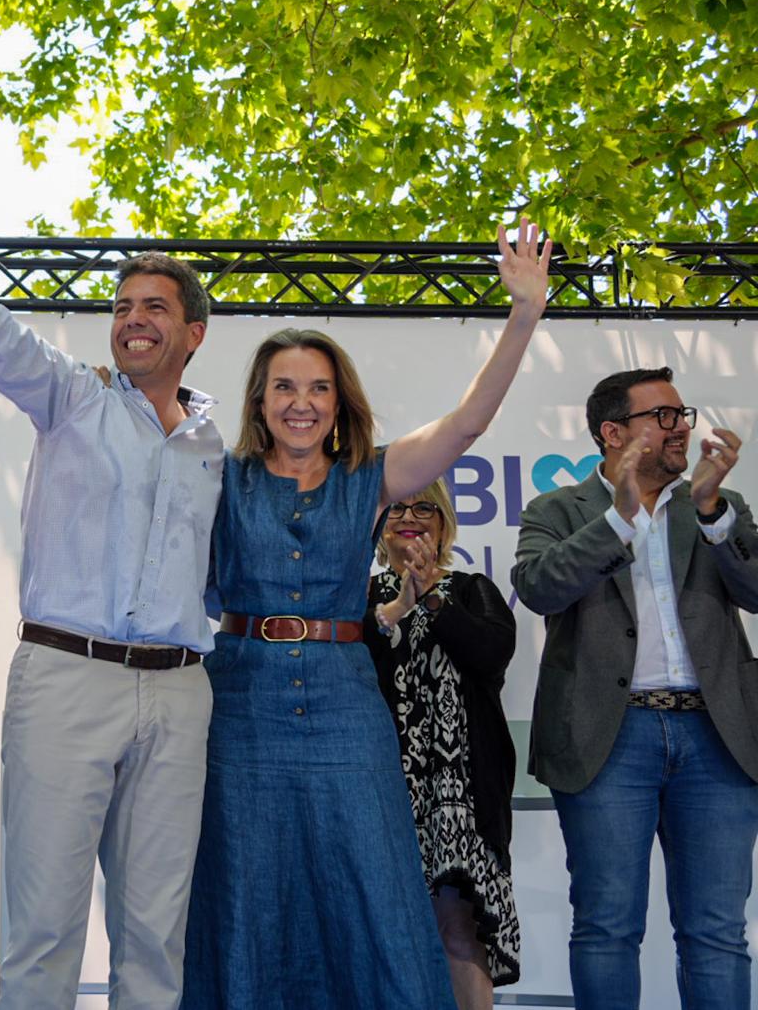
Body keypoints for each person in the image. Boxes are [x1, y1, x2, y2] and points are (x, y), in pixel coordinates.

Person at [0, 121, 222, 1009]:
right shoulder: (68, 395)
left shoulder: (223, 441)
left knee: (157, 938)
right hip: (66, 678)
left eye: (152, 307)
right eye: (120, 308)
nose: (131, 320)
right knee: (42, 933)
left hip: (183, 691)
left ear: (192, 332)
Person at [182, 219, 551, 1009]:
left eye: (318, 387)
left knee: (373, 891)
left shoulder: (372, 476)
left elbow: (466, 424)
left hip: (348, 704)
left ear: (339, 400)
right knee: (246, 890)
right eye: (284, 386)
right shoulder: (220, 474)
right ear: (260, 399)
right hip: (239, 704)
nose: (301, 402)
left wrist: (522, 318)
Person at [512, 367, 758, 1010]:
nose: (682, 429)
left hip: (716, 737)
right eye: (664, 417)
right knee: (607, 927)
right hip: (608, 736)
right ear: (613, 433)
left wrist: (711, 511)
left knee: (716, 933)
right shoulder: (557, 509)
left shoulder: (715, 507)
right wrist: (620, 518)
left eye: (684, 415)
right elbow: (540, 588)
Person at [364, 479, 520, 1009]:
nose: (409, 517)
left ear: (444, 520)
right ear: (377, 527)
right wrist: (396, 610)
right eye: (396, 509)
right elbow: (355, 670)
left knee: (458, 929)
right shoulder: (357, 602)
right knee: (381, 933)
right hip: (378, 789)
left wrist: (432, 596)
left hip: (462, 797)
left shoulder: (474, 590)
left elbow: (491, 655)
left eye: (423, 507)